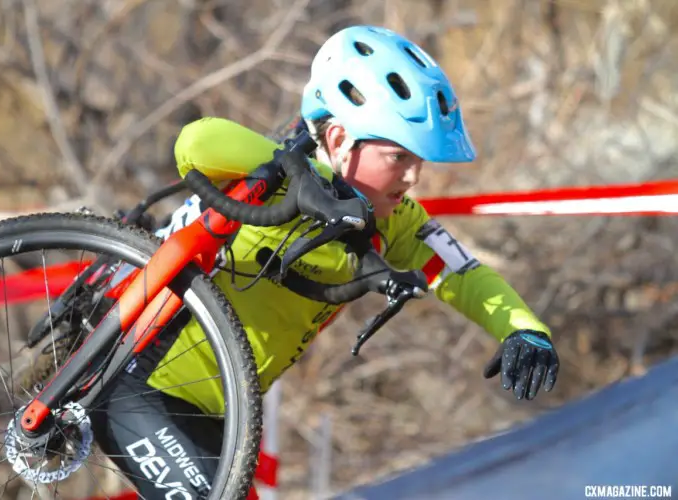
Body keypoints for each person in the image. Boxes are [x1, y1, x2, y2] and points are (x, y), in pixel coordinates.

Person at [87, 25, 560, 499]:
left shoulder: (393, 219)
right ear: (338, 139)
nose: (414, 176)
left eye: (419, 160)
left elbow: (463, 274)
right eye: (398, 156)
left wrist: (523, 329)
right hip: (138, 382)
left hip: (213, 415)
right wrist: (304, 185)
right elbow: (196, 140)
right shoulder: (276, 175)